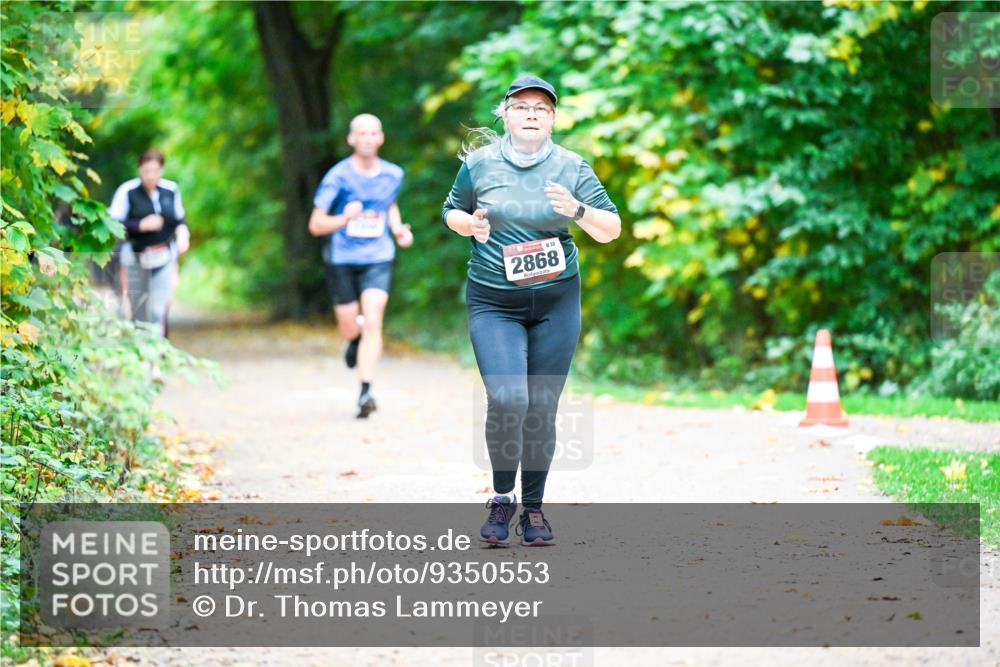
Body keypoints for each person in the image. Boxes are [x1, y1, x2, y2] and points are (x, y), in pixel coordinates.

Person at [442, 76, 621, 546]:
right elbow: (451, 212)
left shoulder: (572, 166)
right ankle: (502, 498)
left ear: (553, 120)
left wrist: (578, 211)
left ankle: (534, 510)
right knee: (509, 399)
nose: (532, 114)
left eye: (542, 108)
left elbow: (612, 229)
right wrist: (470, 225)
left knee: (542, 405)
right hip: (494, 301)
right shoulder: (479, 164)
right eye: (522, 106)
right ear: (505, 114)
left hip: (556, 300)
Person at [309, 113, 413, 418]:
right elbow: (315, 224)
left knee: (373, 319)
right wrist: (344, 218)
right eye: (362, 134)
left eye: (373, 133)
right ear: (351, 139)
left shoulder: (393, 174)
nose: (367, 139)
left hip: (378, 256)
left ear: (381, 138)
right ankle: (352, 340)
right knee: (349, 324)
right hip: (342, 258)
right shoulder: (338, 177)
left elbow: (389, 204)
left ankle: (366, 391)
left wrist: (398, 229)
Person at [108, 149, 190, 338]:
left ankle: (158, 351)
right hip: (136, 257)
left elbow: (179, 219)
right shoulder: (127, 191)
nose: (150, 176)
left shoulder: (171, 190)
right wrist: (140, 225)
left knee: (158, 310)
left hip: (164, 256)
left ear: (161, 170)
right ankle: (141, 351)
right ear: (140, 169)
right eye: (146, 171)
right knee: (139, 310)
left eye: (155, 171)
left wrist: (183, 234)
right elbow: (112, 223)